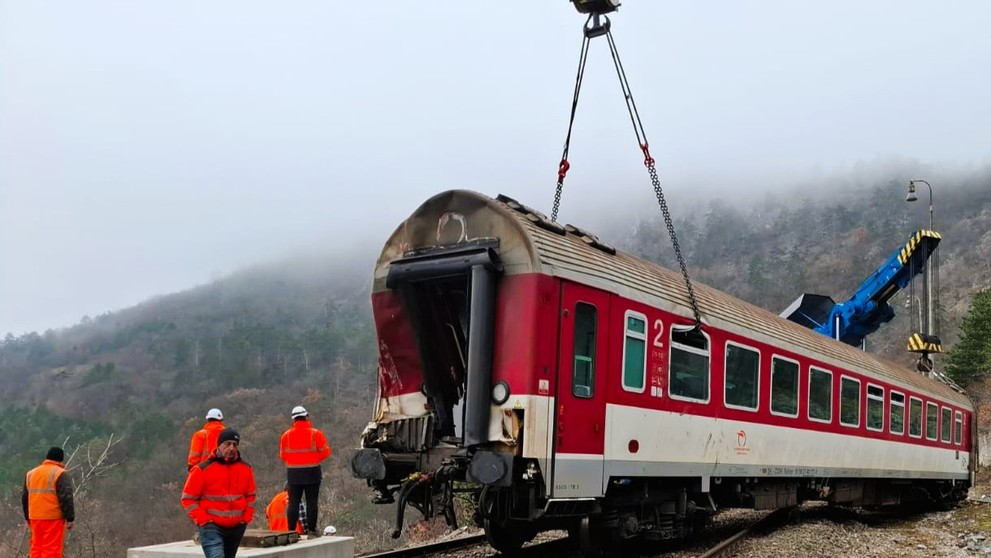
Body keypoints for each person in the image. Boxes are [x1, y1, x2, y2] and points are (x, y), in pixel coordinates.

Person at [181, 428, 256, 558]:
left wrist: (245, 519)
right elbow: (188, 499)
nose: (232, 448)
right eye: (227, 444)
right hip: (211, 527)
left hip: (237, 527)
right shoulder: (202, 469)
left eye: (235, 444)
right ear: (219, 445)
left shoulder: (245, 468)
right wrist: (204, 520)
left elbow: (250, 496)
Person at [278, 405, 331, 537]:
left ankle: (291, 531)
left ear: (293, 419)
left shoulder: (286, 435)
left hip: (294, 473)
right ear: (306, 416)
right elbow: (326, 452)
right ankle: (312, 531)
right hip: (312, 471)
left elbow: (283, 455)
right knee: (312, 501)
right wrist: (313, 458)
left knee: (293, 502)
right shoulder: (316, 433)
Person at [23, 447, 75, 558]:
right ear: (61, 460)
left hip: (34, 518)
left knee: (36, 548)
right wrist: (70, 518)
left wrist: (28, 517)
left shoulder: (31, 473)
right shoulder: (60, 473)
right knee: (51, 550)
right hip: (52, 518)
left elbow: (25, 498)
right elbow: (66, 497)